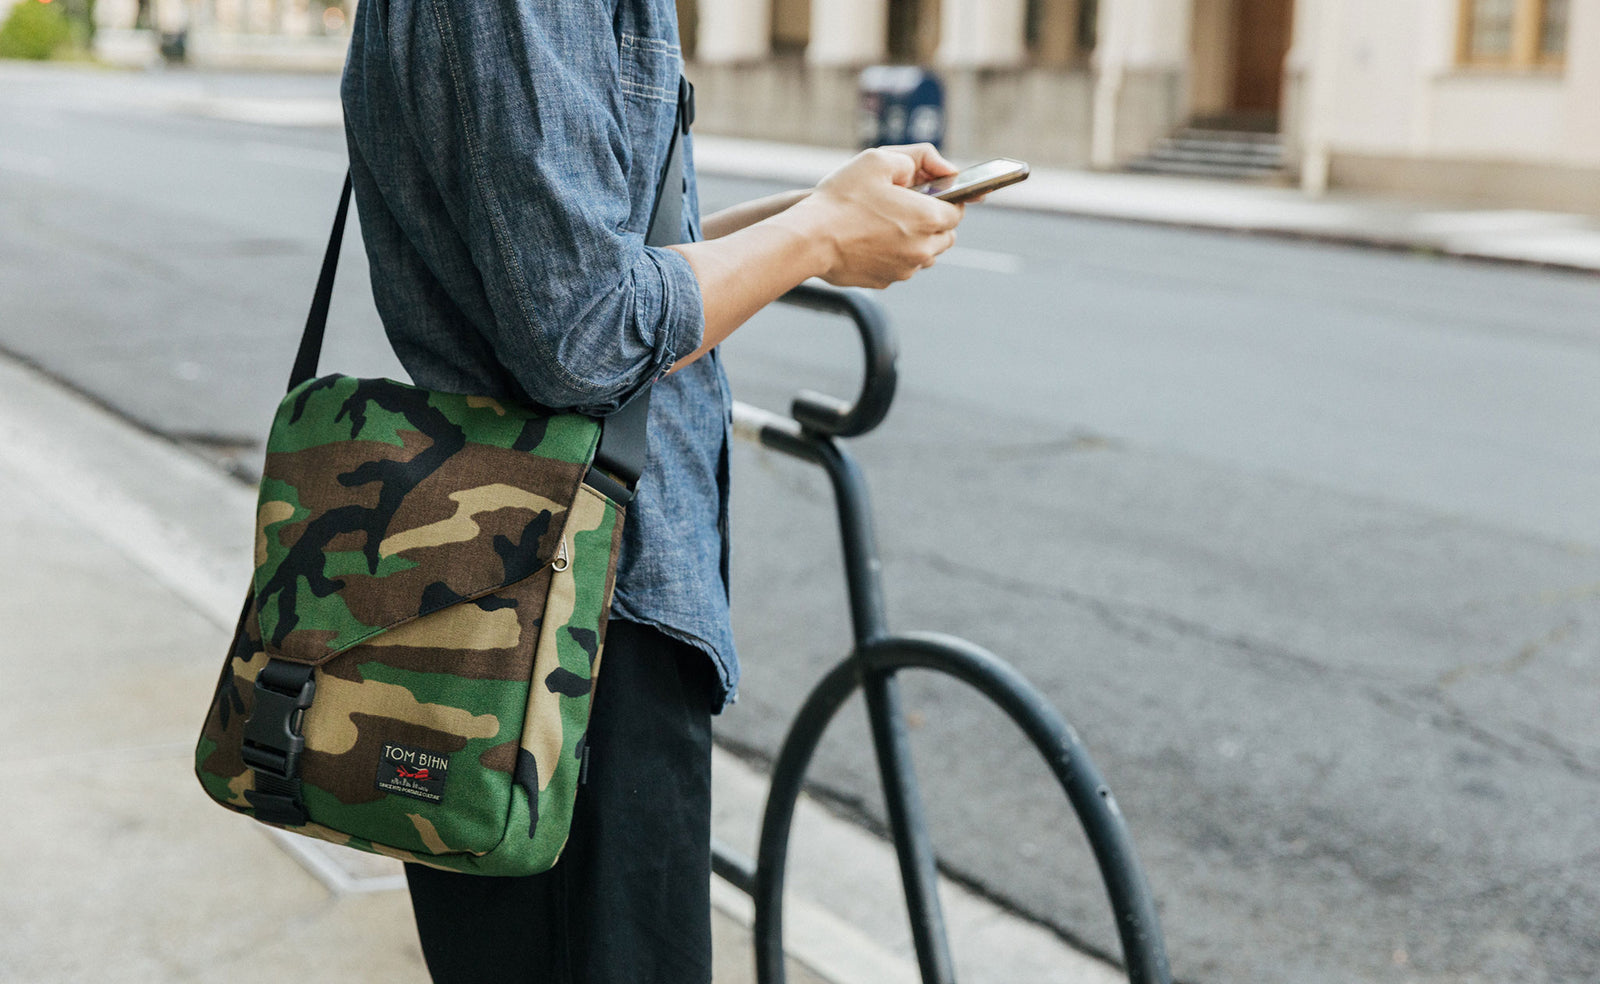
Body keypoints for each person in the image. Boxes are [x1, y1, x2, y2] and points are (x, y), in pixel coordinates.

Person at [340, 1, 968, 981]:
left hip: (522, 598)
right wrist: (819, 241)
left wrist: (818, 214)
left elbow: (580, 253)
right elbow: (586, 336)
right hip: (571, 622)